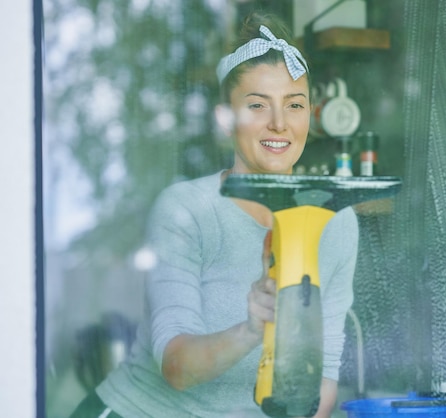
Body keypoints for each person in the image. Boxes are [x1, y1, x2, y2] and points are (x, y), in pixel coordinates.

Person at [70, 11, 359, 418]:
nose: (279, 123)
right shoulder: (187, 210)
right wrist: (252, 329)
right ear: (227, 119)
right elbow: (176, 367)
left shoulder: (336, 220)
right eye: (258, 105)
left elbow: (323, 374)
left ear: (309, 116)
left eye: (294, 105)